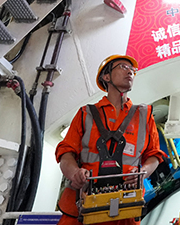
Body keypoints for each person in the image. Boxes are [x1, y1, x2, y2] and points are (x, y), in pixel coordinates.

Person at [55, 55, 165, 225]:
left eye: (133, 70)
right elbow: (65, 153)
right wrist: (75, 173)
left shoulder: (144, 115)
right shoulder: (85, 114)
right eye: (123, 67)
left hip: (126, 209)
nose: (130, 72)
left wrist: (142, 173)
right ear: (106, 77)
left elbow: (154, 155)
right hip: (83, 208)